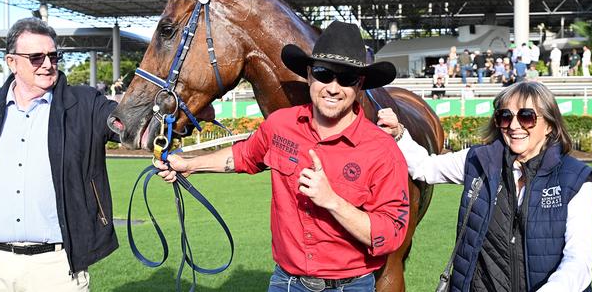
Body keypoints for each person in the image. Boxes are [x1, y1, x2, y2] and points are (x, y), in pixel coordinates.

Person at [157, 21, 410, 291]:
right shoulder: (280, 125)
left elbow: (391, 234)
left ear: (359, 85)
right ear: (310, 76)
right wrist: (189, 164)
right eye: (324, 74)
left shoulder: (383, 149)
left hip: (351, 286)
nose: (333, 88)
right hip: (286, 283)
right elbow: (245, 155)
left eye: (346, 78)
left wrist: (333, 201)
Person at [378, 81, 592, 291]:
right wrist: (399, 134)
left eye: (527, 117)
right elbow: (425, 167)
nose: (514, 126)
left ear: (549, 124)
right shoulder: (480, 160)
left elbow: (578, 259)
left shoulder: (576, 179)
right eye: (505, 116)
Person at [0, 18, 119, 292]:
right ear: (12, 62)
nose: (47, 64)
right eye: (36, 57)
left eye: (54, 56)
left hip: (57, 269)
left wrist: (175, 120)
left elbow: (128, 125)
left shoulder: (86, 104)